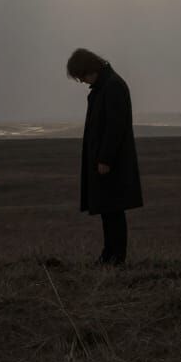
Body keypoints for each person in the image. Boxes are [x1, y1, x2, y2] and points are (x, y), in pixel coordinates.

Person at [66, 48, 144, 266]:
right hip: (105, 161)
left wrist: (105, 159)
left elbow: (115, 127)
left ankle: (115, 257)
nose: (82, 81)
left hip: (111, 163)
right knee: (108, 210)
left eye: (81, 76)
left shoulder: (112, 86)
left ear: (89, 68)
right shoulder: (105, 86)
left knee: (113, 210)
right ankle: (109, 254)